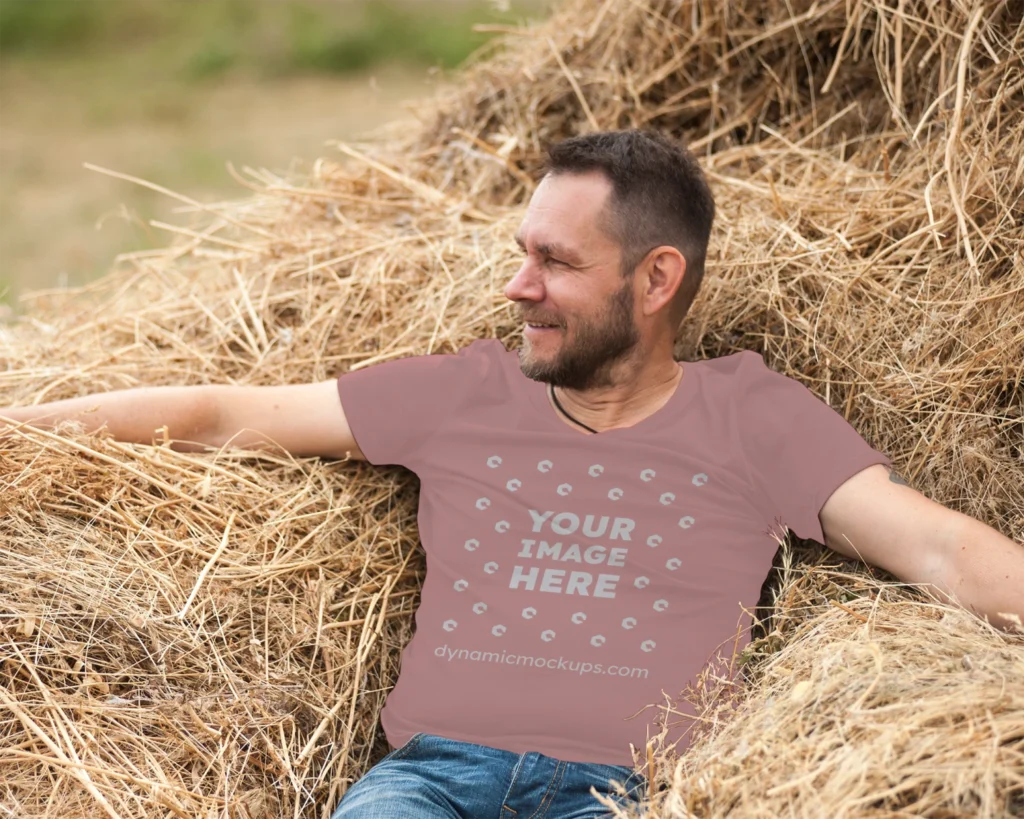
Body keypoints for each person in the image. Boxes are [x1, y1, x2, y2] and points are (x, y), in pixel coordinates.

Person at [2, 130, 1022, 819]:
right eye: (520, 253)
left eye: (556, 263)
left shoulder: (753, 417)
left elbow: (932, 543)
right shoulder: (463, 394)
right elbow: (223, 417)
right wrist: (18, 428)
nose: (517, 286)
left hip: (624, 793)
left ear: (656, 279)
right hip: (432, 782)